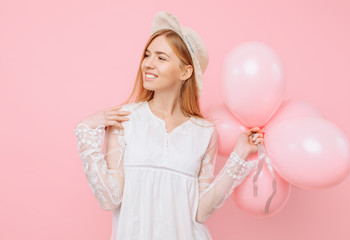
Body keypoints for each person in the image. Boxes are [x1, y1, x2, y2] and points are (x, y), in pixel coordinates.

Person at [74, 11, 264, 240]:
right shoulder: (124, 119)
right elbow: (109, 199)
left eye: (161, 58)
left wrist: (240, 154)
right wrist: (86, 132)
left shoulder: (204, 132)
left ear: (186, 71)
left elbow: (201, 211)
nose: (148, 64)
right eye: (147, 55)